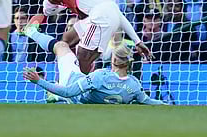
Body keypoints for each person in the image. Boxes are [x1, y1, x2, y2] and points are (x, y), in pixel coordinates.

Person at [27, 0, 152, 74]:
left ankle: (81, 88)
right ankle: (73, 77)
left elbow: (48, 11)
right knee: (66, 40)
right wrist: (137, 41)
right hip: (103, 16)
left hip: (99, 18)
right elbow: (115, 12)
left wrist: (59, 5)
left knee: (82, 56)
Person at [23, 36, 166, 105]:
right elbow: (148, 101)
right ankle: (55, 97)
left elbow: (68, 91)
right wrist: (169, 106)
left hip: (70, 81)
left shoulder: (100, 76)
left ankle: (31, 32)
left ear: (114, 60)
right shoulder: (134, 85)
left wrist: (38, 80)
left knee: (61, 46)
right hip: (83, 95)